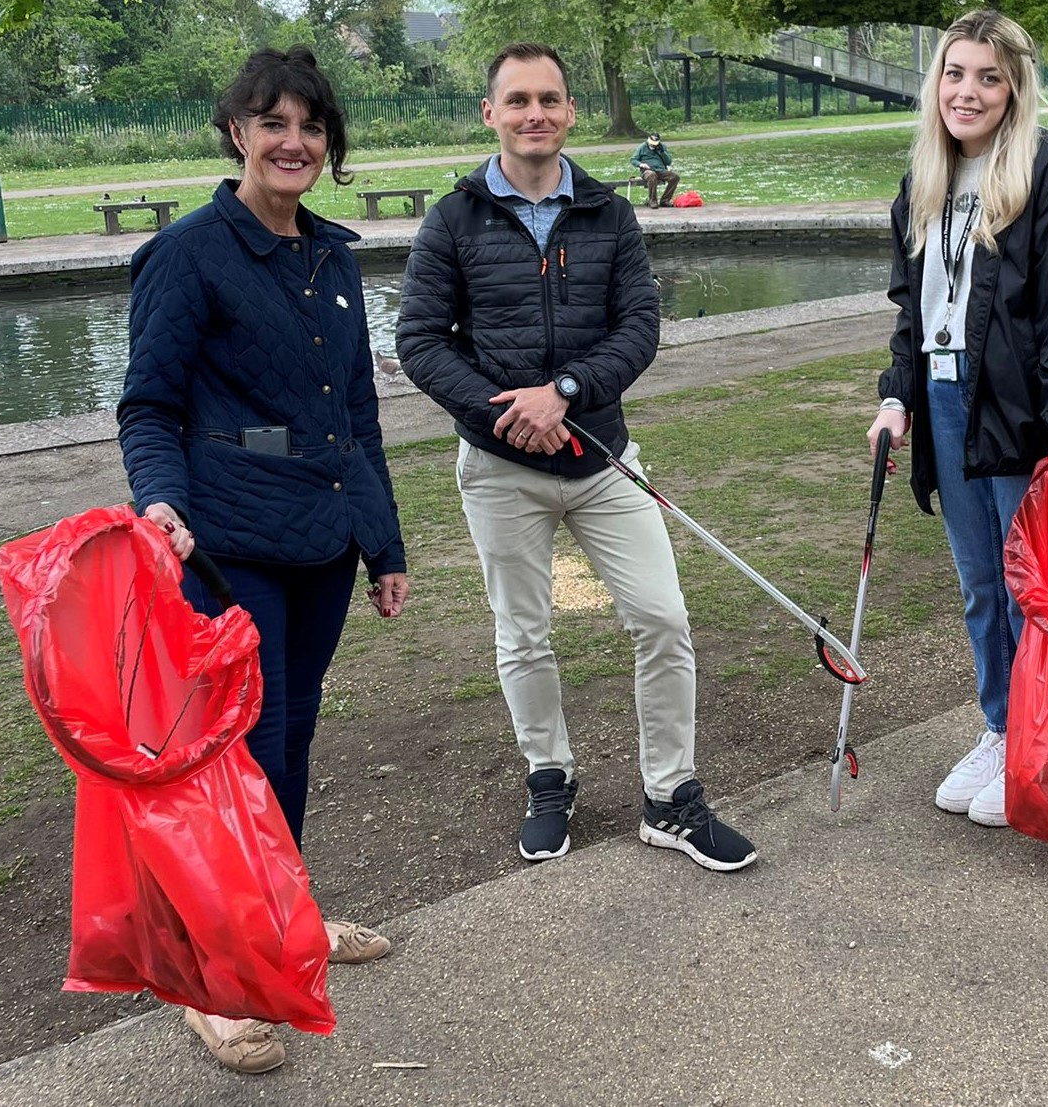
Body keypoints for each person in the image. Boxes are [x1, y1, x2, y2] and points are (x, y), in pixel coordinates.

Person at [117, 45, 410, 1075]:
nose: (294, 141)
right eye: (272, 122)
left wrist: (385, 544)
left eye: (312, 126)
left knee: (286, 746)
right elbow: (149, 405)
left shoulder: (330, 256)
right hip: (227, 547)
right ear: (235, 132)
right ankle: (213, 985)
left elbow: (356, 417)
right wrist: (160, 502)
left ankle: (281, 920)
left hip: (321, 546)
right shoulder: (190, 254)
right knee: (233, 760)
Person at [396, 42, 756, 873]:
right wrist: (509, 413)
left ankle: (670, 795)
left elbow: (639, 327)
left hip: (601, 457)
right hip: (498, 466)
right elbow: (420, 340)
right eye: (517, 100)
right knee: (523, 632)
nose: (535, 114)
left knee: (662, 616)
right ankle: (548, 775)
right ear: (490, 113)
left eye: (550, 99)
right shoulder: (453, 218)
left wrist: (561, 389)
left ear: (569, 112)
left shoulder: (607, 211)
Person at [864, 11, 1048, 829]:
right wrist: (896, 395)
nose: (967, 92)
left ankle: (1043, 744)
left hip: (1017, 408)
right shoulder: (924, 180)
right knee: (979, 587)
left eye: (988, 77)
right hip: (940, 399)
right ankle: (1003, 728)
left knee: (1028, 588)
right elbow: (914, 307)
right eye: (954, 74)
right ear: (935, 84)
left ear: (1014, 89)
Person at [630, 131, 680, 208]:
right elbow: (633, 160)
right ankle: (653, 201)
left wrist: (662, 152)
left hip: (661, 170)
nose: (652, 145)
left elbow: (668, 162)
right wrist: (641, 164)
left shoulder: (662, 147)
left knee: (675, 177)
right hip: (647, 171)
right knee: (652, 175)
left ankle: (665, 200)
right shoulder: (642, 147)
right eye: (651, 142)